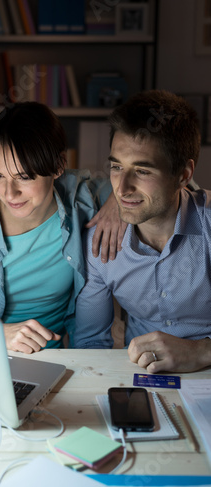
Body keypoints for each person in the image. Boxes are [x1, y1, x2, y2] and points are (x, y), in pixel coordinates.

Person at [0, 102, 124, 354]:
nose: (9, 193)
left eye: (24, 177)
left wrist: (119, 203)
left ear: (59, 166)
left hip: (60, 361)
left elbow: (167, 186)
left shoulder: (82, 200)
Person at [75, 89, 211, 374]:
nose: (122, 189)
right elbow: (90, 345)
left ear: (184, 175)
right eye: (116, 167)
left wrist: (201, 351)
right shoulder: (99, 245)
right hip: (141, 378)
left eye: (142, 171)